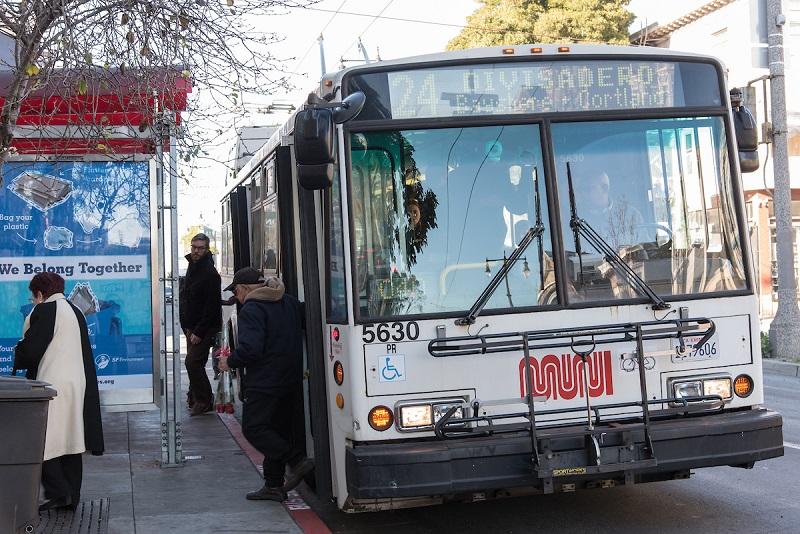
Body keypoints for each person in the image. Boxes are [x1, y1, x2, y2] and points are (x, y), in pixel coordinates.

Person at [217, 267, 313, 502]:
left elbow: (251, 349)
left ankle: (296, 459)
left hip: (265, 381)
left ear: (244, 288)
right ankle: (273, 485)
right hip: (290, 378)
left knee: (255, 428)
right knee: (276, 430)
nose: (237, 297)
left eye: (236, 292)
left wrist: (228, 361)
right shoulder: (289, 302)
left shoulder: (252, 308)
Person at [13, 272, 104, 511]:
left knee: (44, 439)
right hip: (76, 383)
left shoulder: (45, 311)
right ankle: (71, 495)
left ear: (41, 294)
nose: (33, 301)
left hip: (51, 384)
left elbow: (30, 351)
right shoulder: (74, 311)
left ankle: (58, 491)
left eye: (33, 296)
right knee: (71, 439)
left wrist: (18, 351)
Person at [179, 233, 222, 415]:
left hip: (202, 328)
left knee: (192, 363)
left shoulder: (210, 273)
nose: (196, 251)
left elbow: (211, 307)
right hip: (190, 326)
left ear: (207, 249)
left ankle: (204, 399)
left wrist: (199, 331)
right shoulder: (193, 266)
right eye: (194, 247)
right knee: (195, 362)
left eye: (200, 248)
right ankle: (195, 395)